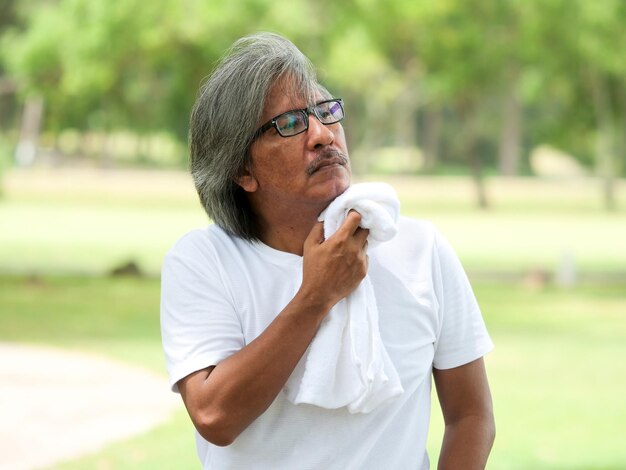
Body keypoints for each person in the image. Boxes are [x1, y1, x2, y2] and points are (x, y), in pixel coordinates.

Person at [161, 32, 495, 469]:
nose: (322, 135)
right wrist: (316, 295)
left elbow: (472, 416)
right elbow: (214, 416)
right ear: (241, 169)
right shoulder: (204, 261)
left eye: (325, 112)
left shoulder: (418, 248)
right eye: (289, 124)